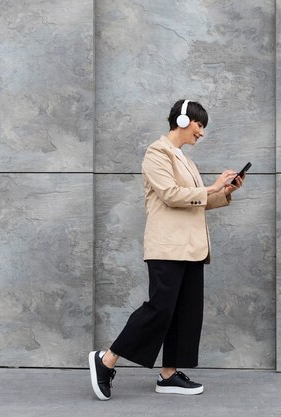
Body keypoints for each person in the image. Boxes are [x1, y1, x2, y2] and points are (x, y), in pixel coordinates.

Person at [89, 99, 244, 400]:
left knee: (185, 313)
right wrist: (211, 187)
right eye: (200, 125)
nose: (201, 133)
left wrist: (225, 192)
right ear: (184, 121)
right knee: (159, 309)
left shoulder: (186, 160)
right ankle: (106, 360)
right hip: (167, 248)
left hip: (192, 248)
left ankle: (169, 374)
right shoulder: (156, 153)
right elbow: (172, 196)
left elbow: (195, 201)